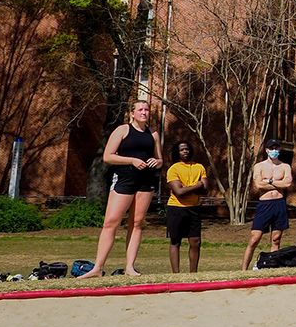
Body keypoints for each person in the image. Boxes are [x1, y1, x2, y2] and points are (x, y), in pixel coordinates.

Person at [85, 100, 162, 277]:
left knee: (136, 223)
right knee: (111, 222)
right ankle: (97, 267)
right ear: (132, 113)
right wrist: (131, 160)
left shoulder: (153, 134)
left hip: (145, 182)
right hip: (124, 179)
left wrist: (157, 162)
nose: (144, 112)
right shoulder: (122, 130)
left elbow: (160, 160)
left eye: (147, 109)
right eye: (140, 109)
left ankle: (130, 267)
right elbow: (108, 157)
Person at [241, 138, 293, 270]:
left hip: (279, 204)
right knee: (254, 238)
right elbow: (258, 185)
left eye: (276, 148)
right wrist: (277, 183)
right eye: (271, 148)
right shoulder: (259, 166)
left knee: (276, 239)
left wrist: (268, 181)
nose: (274, 151)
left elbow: (287, 184)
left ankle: (271, 266)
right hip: (265, 205)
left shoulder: (285, 166)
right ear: (266, 150)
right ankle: (243, 269)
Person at [165, 140, 209, 272]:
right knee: (175, 241)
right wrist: (197, 185)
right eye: (182, 150)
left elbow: (205, 189)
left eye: (187, 149)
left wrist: (187, 188)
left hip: (194, 208)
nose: (185, 151)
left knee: (195, 241)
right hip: (176, 208)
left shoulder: (199, 167)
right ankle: (176, 274)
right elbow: (179, 192)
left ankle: (193, 273)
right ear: (177, 153)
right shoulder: (173, 169)